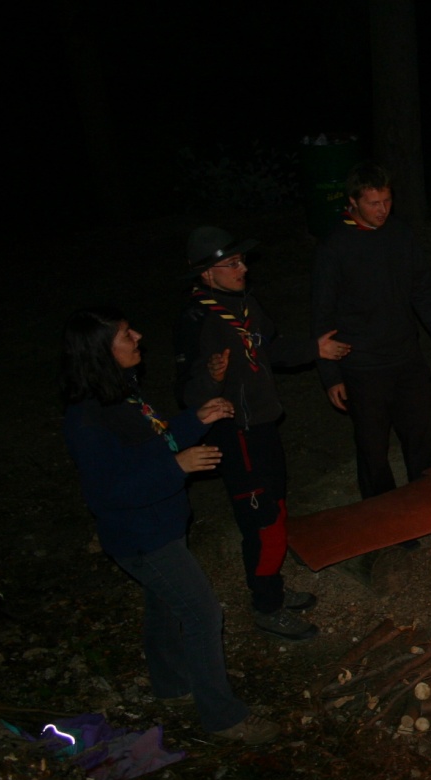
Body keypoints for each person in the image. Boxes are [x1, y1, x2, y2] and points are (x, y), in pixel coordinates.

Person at [62, 307, 278, 745]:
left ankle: (172, 685)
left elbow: (153, 444)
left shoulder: (119, 394)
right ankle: (223, 717)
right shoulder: (87, 419)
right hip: (141, 537)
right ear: (101, 352)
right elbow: (109, 492)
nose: (138, 335)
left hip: (159, 524)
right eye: (126, 334)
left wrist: (195, 421)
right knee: (201, 612)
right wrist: (176, 467)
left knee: (163, 603)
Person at [175, 227, 352, 641]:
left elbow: (269, 348)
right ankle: (266, 606)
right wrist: (210, 377)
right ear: (206, 275)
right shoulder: (196, 320)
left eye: (241, 261)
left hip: (265, 422)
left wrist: (315, 349)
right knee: (263, 522)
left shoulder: (244, 304)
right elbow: (187, 393)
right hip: (234, 431)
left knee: (278, 510)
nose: (242, 269)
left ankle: (271, 584)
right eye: (231, 264)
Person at [312, 162, 431, 500]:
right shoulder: (335, 246)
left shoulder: (399, 234)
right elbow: (322, 315)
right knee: (373, 446)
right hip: (362, 364)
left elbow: (422, 291)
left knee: (422, 434)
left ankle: (425, 501)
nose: (383, 210)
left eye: (387, 201)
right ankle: (382, 514)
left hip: (405, 357)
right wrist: (331, 376)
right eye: (374, 203)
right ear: (353, 202)